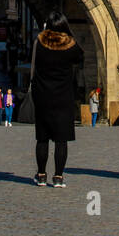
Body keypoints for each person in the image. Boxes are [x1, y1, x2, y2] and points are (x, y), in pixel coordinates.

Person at [31, 10, 84, 189]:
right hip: (63, 96)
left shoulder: (39, 42)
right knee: (61, 140)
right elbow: (80, 57)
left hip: (43, 95)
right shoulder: (70, 44)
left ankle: (41, 175)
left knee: (43, 139)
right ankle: (59, 176)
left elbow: (34, 64)